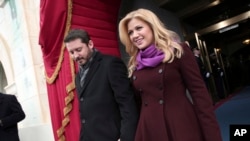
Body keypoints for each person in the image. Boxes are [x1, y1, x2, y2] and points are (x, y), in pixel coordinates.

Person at [118, 8, 222, 141]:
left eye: (139, 28)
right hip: (149, 130)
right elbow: (135, 105)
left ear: (152, 26)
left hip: (180, 126)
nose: (134, 35)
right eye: (130, 32)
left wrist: (213, 137)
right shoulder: (135, 64)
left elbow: (200, 95)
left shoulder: (178, 51)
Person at [64, 29, 138, 141]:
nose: (76, 56)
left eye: (79, 50)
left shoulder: (111, 64)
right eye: (71, 52)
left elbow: (127, 105)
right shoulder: (78, 76)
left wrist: (125, 138)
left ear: (90, 44)